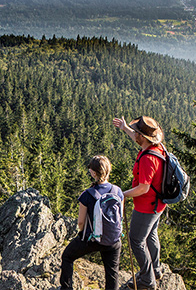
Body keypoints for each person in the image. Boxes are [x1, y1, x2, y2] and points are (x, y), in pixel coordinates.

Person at [113, 116, 166, 290]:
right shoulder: (156, 148)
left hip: (146, 206)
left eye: (136, 132)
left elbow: (143, 188)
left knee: (136, 240)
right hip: (157, 204)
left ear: (143, 136)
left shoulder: (147, 159)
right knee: (151, 234)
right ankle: (155, 269)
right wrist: (125, 128)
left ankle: (147, 281)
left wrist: (122, 194)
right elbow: (139, 139)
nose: (134, 133)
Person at [60, 155, 123, 290]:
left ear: (94, 173)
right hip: (113, 240)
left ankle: (66, 288)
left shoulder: (87, 194)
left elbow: (81, 222)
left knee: (67, 257)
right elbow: (120, 217)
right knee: (112, 273)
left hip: (91, 239)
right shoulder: (118, 191)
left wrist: (82, 235)